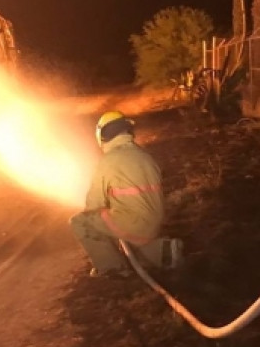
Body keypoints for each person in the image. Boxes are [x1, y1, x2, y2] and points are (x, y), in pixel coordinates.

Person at [70, 110, 183, 279]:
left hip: (135, 222)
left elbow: (93, 204)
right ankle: (164, 251)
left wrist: (98, 211)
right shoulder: (144, 155)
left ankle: (112, 269)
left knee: (80, 222)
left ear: (104, 135)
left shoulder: (108, 162)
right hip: (155, 220)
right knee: (131, 234)